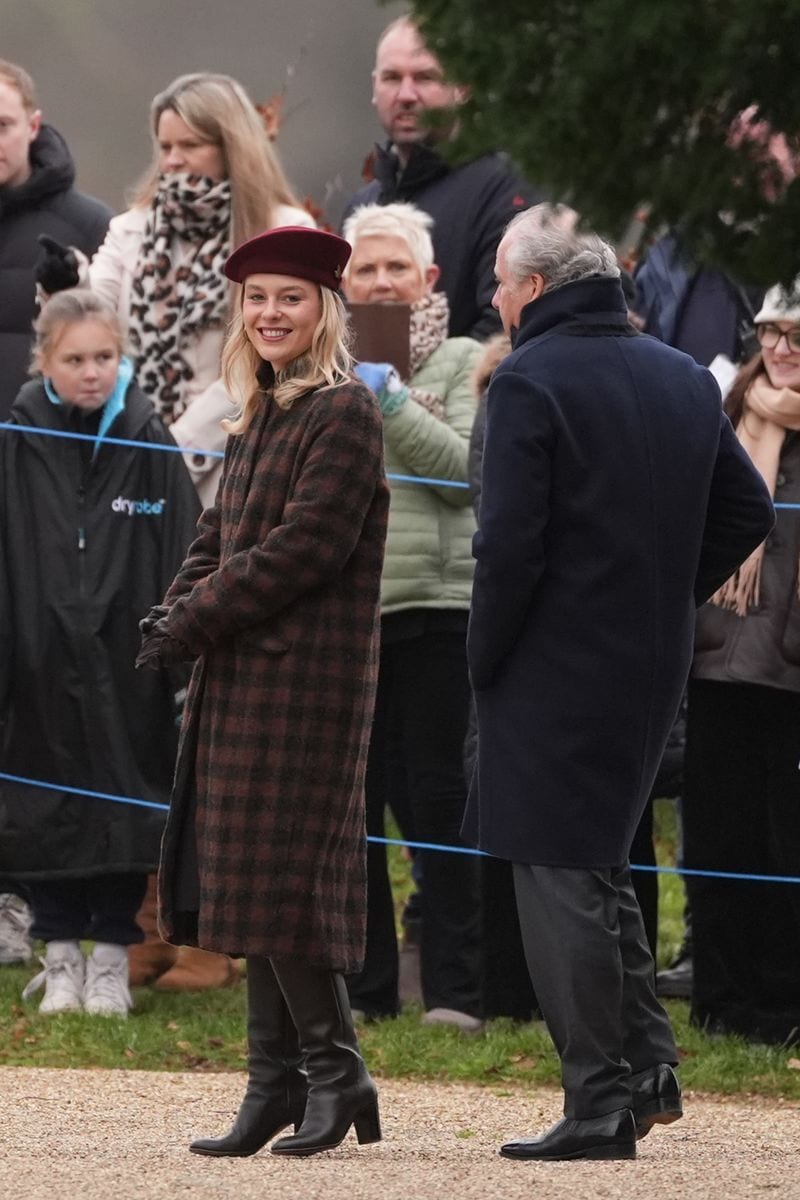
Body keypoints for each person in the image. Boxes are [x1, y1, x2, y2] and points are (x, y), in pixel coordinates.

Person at [464, 203, 775, 1161]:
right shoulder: (681, 373)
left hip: (551, 665)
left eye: (504, 285)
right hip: (651, 661)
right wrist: (664, 591)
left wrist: (486, 658)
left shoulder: (528, 382)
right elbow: (748, 508)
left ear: (539, 290)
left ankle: (599, 1099)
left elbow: (507, 548)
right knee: (599, 866)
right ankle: (645, 1070)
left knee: (556, 872)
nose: (495, 300)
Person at [35, 71, 314, 991]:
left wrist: (167, 442)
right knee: (147, 695)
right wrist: (64, 290)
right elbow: (96, 316)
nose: (174, 162)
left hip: (237, 480)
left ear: (229, 144)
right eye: (163, 146)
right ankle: (145, 919)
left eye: (191, 146)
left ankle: (216, 933)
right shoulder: (133, 231)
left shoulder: (280, 231)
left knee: (224, 708)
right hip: (136, 492)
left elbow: (259, 364)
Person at [136, 226, 389, 1157]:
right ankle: (274, 1083)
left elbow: (302, 550)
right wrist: (172, 610)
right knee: (243, 878)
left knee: (285, 882)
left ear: (325, 307)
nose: (271, 313)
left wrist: (194, 621)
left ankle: (335, 1071)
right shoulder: (262, 410)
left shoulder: (345, 413)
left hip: (306, 682)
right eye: (257, 298)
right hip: (240, 673)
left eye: (290, 296)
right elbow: (219, 538)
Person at [0, 288, 200, 1015]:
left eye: (106, 357)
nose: (93, 372)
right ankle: (58, 956)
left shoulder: (149, 438)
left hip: (129, 664)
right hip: (37, 663)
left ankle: (112, 957)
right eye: (76, 359)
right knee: (40, 808)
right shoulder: (15, 437)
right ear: (44, 362)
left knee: (125, 810)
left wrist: (178, 653)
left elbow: (186, 546)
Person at [341, 201, 483, 1030]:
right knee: (352, 807)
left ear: (428, 277)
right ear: (345, 283)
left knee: (439, 800)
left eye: (398, 266)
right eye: (367, 268)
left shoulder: (466, 358)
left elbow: (467, 472)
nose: (383, 280)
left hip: (437, 608)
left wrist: (389, 398)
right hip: (353, 611)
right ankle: (363, 991)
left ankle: (456, 992)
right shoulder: (325, 362)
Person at [682, 280, 800, 1045]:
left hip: (790, 670)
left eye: (797, 335)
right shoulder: (727, 411)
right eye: (770, 332)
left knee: (787, 841)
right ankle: (721, 1000)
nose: (781, 349)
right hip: (717, 657)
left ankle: (784, 1005)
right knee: (719, 836)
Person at [343, 16, 539, 341]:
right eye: (392, 78)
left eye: (424, 77)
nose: (406, 94)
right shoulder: (361, 207)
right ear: (374, 88)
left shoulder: (507, 189)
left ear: (462, 88)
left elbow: (506, 324)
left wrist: (434, 388)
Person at [0, 60, 111, 418]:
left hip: (46, 450)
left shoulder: (91, 224)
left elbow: (120, 350)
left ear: (33, 126)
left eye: (2, 126)